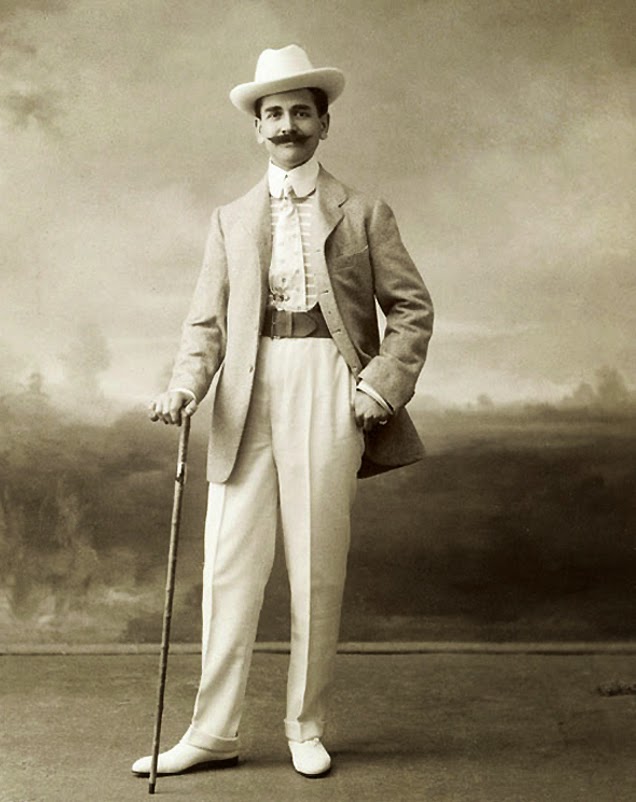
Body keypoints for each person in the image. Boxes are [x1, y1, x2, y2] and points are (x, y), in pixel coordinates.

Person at [132, 44, 433, 779]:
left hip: (328, 383)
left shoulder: (363, 212)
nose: (287, 125)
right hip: (246, 388)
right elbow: (206, 323)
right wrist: (185, 386)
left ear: (324, 124)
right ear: (257, 128)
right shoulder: (230, 219)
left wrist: (378, 387)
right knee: (229, 566)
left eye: (301, 112)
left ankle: (305, 725)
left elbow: (411, 310)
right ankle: (213, 732)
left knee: (316, 566)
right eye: (274, 114)